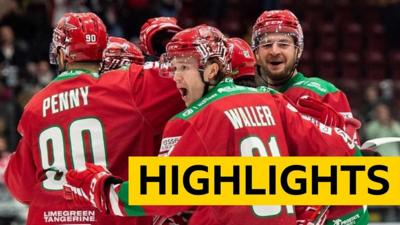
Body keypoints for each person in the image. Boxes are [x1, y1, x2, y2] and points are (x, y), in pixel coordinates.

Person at [63, 25, 364, 225]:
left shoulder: (191, 120)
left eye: (183, 68)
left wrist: (101, 186)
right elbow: (343, 152)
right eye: (173, 68)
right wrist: (340, 128)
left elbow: (160, 196)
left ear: (212, 69)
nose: (176, 78)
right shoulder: (272, 101)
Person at [4, 12, 185, 225]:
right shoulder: (128, 86)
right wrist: (172, 48)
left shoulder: (35, 106)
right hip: (110, 216)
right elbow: (200, 74)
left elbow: (20, 187)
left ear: (62, 54)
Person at [251, 9, 368, 224]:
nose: (274, 51)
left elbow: (350, 163)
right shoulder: (253, 101)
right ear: (256, 54)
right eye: (266, 45)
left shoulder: (321, 91)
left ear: (298, 50)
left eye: (283, 44)